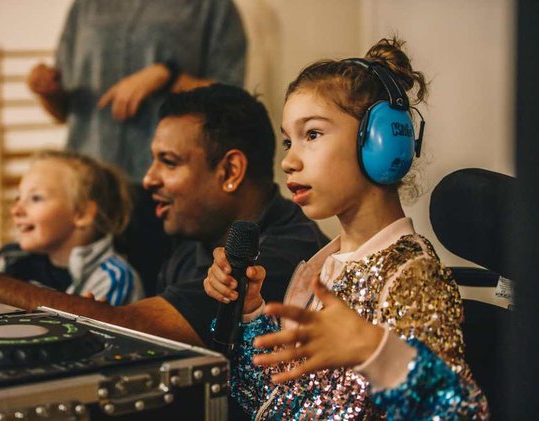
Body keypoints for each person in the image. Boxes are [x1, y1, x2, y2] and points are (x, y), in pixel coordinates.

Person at [0, 84, 327, 349]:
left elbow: (136, 326)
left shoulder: (283, 255)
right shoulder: (191, 241)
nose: (148, 179)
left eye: (169, 162)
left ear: (230, 171)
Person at [203, 38, 489, 419]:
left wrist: (374, 350)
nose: (288, 160)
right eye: (289, 141)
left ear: (379, 143)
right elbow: (274, 402)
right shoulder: (325, 267)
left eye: (313, 134)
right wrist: (250, 310)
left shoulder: (411, 276)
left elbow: (459, 413)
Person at [27, 0, 247, 293]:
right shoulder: (85, 7)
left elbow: (232, 100)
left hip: (161, 191)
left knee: (152, 306)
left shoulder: (210, 7)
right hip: (89, 190)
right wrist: (47, 92)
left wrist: (168, 77)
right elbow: (64, 111)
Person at [0, 150, 143, 306]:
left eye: (35, 198)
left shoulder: (113, 279)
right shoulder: (8, 257)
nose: (16, 210)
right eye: (18, 197)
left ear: (81, 214)